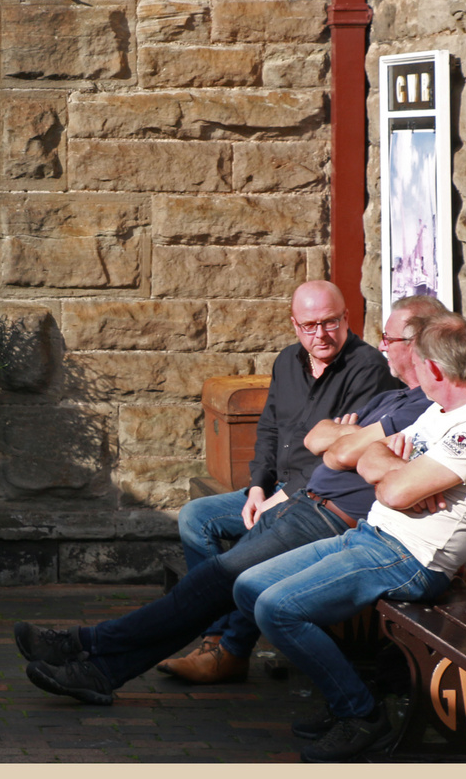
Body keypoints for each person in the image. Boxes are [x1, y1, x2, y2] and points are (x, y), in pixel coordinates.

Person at [16, 295, 445, 711]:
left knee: (213, 584)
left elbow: (340, 448)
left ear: (420, 344)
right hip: (308, 505)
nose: (382, 346)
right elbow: (320, 441)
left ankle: (87, 645)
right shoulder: (396, 397)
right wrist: (329, 448)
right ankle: (102, 669)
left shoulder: (418, 404)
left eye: (390, 339)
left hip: (329, 520)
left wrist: (345, 439)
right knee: (207, 566)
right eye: (383, 338)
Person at [233, 310, 466, 761]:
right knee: (248, 586)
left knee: (278, 609)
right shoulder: (442, 411)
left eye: (419, 364)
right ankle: (349, 691)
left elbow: (392, 483)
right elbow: (366, 460)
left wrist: (394, 477)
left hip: (412, 560)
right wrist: (393, 472)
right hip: (376, 536)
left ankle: (361, 714)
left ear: (436, 370)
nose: (413, 372)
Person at [164, 278, 403, 683]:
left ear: (346, 318)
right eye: (309, 325)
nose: (320, 334)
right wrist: (258, 487)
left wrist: (285, 498)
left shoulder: (367, 369)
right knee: (195, 517)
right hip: (276, 490)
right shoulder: (287, 361)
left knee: (255, 544)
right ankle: (217, 639)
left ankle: (231, 648)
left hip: (319, 501)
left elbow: (343, 456)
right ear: (294, 325)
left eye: (329, 322)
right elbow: (271, 429)